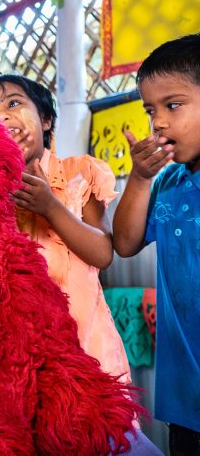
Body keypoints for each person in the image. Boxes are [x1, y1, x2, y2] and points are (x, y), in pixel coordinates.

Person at [0, 74, 130, 382]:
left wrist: (50, 208)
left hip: (87, 350)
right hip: (19, 359)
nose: (1, 116)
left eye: (13, 103)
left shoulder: (80, 172)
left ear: (45, 120)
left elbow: (102, 253)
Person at [113, 33, 200, 455]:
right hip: (183, 395)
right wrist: (140, 177)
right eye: (151, 110)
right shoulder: (165, 182)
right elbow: (125, 243)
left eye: (173, 105)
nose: (158, 122)